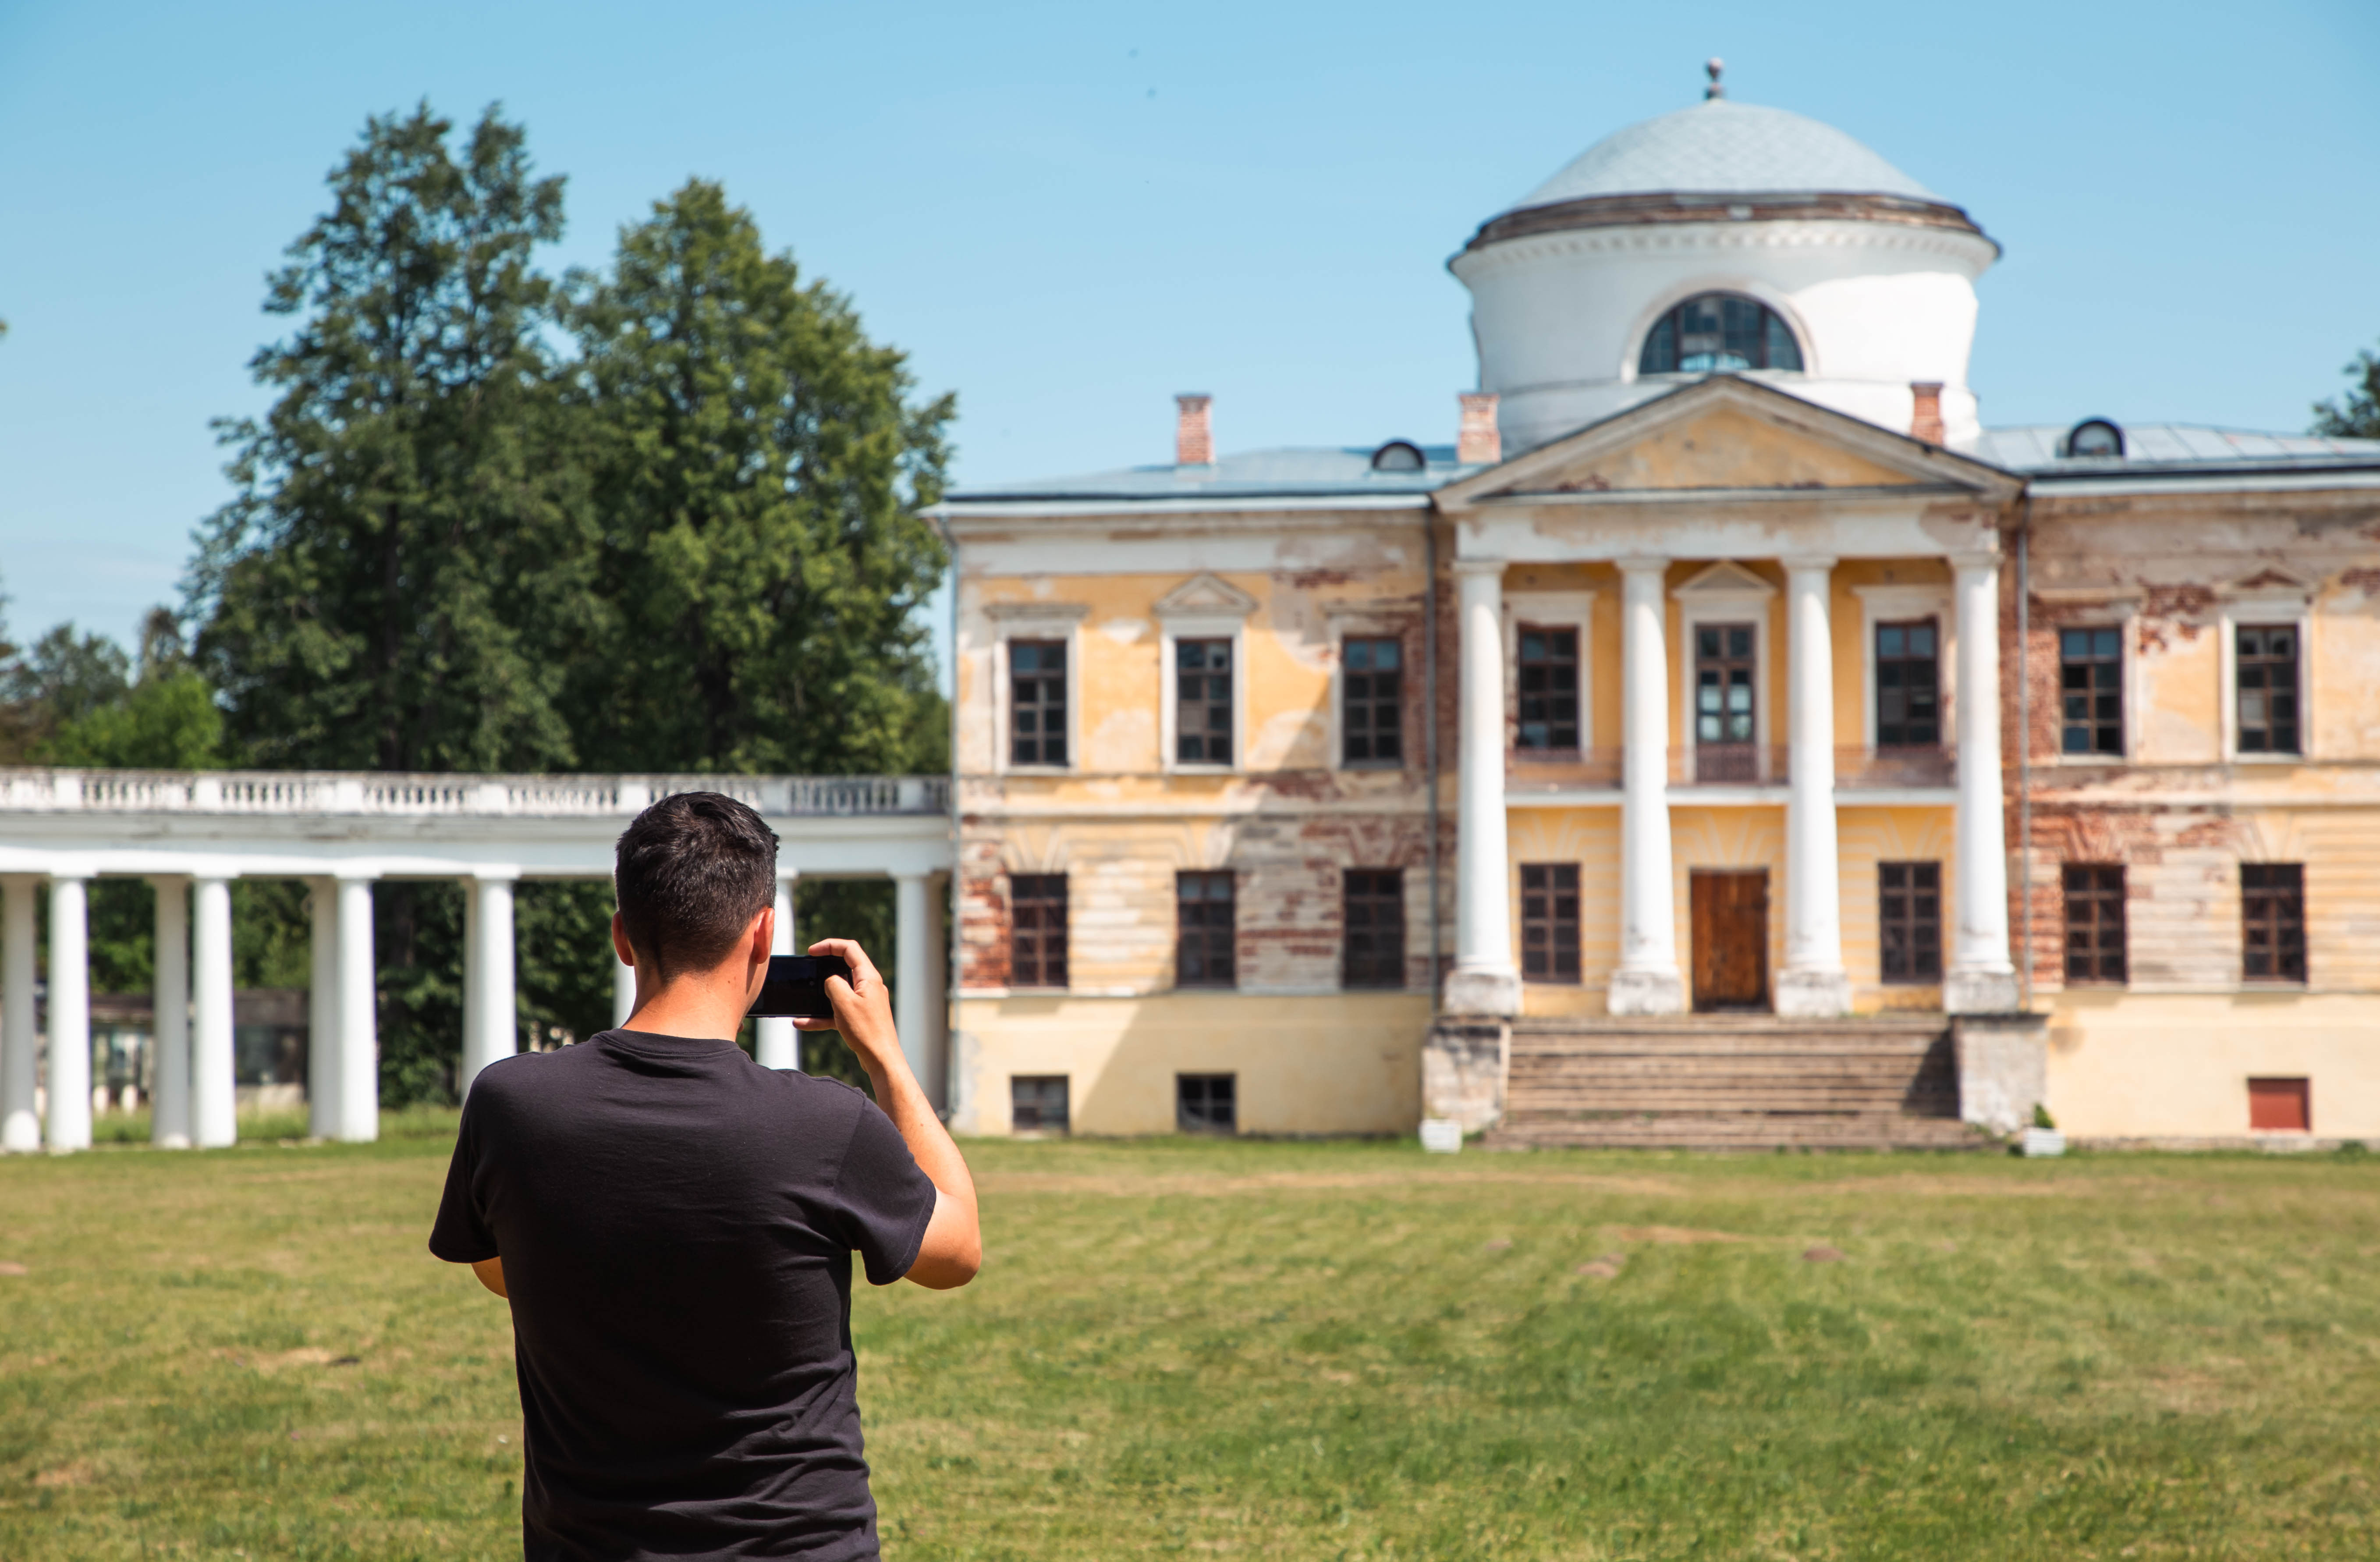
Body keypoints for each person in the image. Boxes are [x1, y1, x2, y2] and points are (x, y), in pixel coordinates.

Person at [429, 791, 980, 1561]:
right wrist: (885, 1056)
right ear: (765, 933)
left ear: (623, 936)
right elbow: (956, 1251)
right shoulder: (827, 1124)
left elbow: (501, 1270)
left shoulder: (511, 1104)